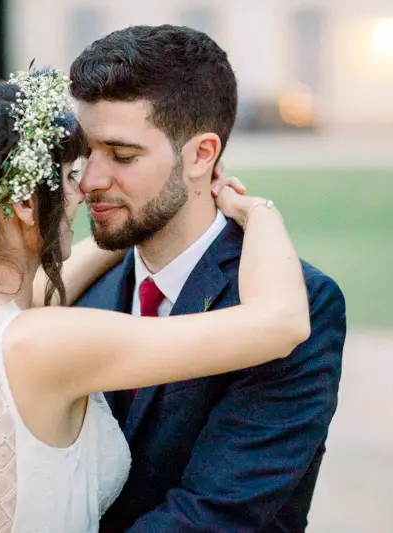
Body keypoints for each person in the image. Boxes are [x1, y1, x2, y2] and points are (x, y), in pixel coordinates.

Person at [0, 68, 310, 533]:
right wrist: (257, 211)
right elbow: (281, 322)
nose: (84, 191)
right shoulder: (46, 343)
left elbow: (18, 301)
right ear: (28, 205)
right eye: (70, 177)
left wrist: (134, 228)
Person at [70, 25, 347, 532]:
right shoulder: (77, 291)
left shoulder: (302, 302)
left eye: (123, 156)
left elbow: (215, 515)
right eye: (84, 152)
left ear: (201, 155)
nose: (89, 181)